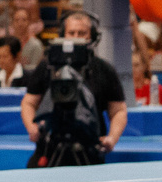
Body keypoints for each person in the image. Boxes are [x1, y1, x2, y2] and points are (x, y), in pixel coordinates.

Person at [20, 11, 127, 165]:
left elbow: (118, 110)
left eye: (82, 33)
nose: (76, 36)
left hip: (89, 150)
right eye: (71, 32)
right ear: (63, 34)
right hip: (49, 148)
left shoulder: (104, 69)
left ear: (92, 36)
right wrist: (32, 127)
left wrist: (112, 138)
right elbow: (29, 102)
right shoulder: (47, 66)